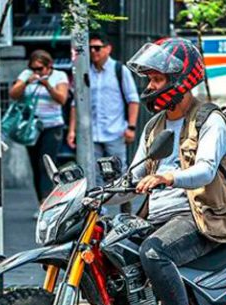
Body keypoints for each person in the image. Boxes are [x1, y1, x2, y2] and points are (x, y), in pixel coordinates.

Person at [109, 37, 226, 305]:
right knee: (110, 249)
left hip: (201, 215)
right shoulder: (154, 126)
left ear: (181, 80)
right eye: (149, 79)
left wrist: (167, 177)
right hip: (158, 218)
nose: (150, 87)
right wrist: (94, 194)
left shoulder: (209, 120)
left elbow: (205, 170)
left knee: (153, 252)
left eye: (157, 79)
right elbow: (134, 177)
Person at [68, 31, 140, 185]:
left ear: (108, 48)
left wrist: (131, 127)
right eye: (90, 48)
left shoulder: (119, 70)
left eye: (97, 48)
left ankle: (121, 200)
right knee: (94, 175)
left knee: (118, 173)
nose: (93, 51)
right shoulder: (84, 72)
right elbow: (76, 103)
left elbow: (133, 100)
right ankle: (98, 202)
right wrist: (72, 130)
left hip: (115, 131)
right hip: (91, 134)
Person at [9, 50, 69, 203]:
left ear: (49, 66)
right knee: (35, 165)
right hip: (32, 127)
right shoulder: (26, 75)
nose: (36, 72)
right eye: (33, 69)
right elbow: (13, 94)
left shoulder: (59, 76)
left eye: (40, 69)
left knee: (46, 164)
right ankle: (41, 202)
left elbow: (62, 99)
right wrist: (26, 82)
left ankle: (47, 201)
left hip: (52, 126)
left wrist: (47, 85)